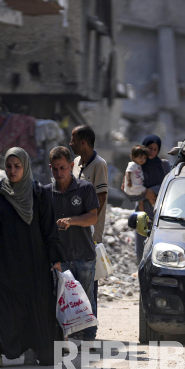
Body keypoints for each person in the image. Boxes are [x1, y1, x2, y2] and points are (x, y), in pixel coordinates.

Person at [0, 148, 64, 368]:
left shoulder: (38, 193)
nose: (12, 170)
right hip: (3, 261)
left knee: (34, 306)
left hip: (33, 263)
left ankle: (33, 348)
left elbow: (48, 229)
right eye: (8, 166)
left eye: (17, 166)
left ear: (25, 167)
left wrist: (55, 260)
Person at [43, 146, 99, 325]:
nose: (59, 173)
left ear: (71, 165)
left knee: (86, 300)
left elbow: (92, 217)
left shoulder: (85, 188)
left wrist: (71, 221)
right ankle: (64, 336)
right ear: (50, 167)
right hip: (60, 258)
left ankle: (88, 337)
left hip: (84, 256)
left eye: (63, 168)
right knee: (61, 300)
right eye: (55, 168)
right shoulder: (45, 193)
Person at [69, 125, 107, 341]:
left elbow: (100, 197)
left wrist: (89, 224)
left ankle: (89, 328)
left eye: (73, 140)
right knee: (75, 279)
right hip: (76, 230)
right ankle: (77, 324)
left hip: (89, 233)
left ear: (83, 142)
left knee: (89, 280)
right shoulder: (76, 164)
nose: (70, 143)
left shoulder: (99, 165)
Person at [135, 135, 171, 262]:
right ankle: (140, 266)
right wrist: (146, 193)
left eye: (155, 149)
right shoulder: (138, 165)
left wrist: (152, 190)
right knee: (141, 239)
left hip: (160, 208)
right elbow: (132, 187)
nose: (152, 152)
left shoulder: (164, 165)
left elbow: (169, 184)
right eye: (150, 148)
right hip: (142, 207)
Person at [123, 145, 154, 211]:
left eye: (144, 158)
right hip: (136, 187)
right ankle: (155, 208)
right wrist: (128, 181)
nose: (142, 160)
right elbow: (127, 172)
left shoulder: (139, 166)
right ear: (134, 157)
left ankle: (142, 215)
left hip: (137, 188)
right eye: (140, 157)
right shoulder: (132, 164)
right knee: (151, 195)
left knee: (141, 203)